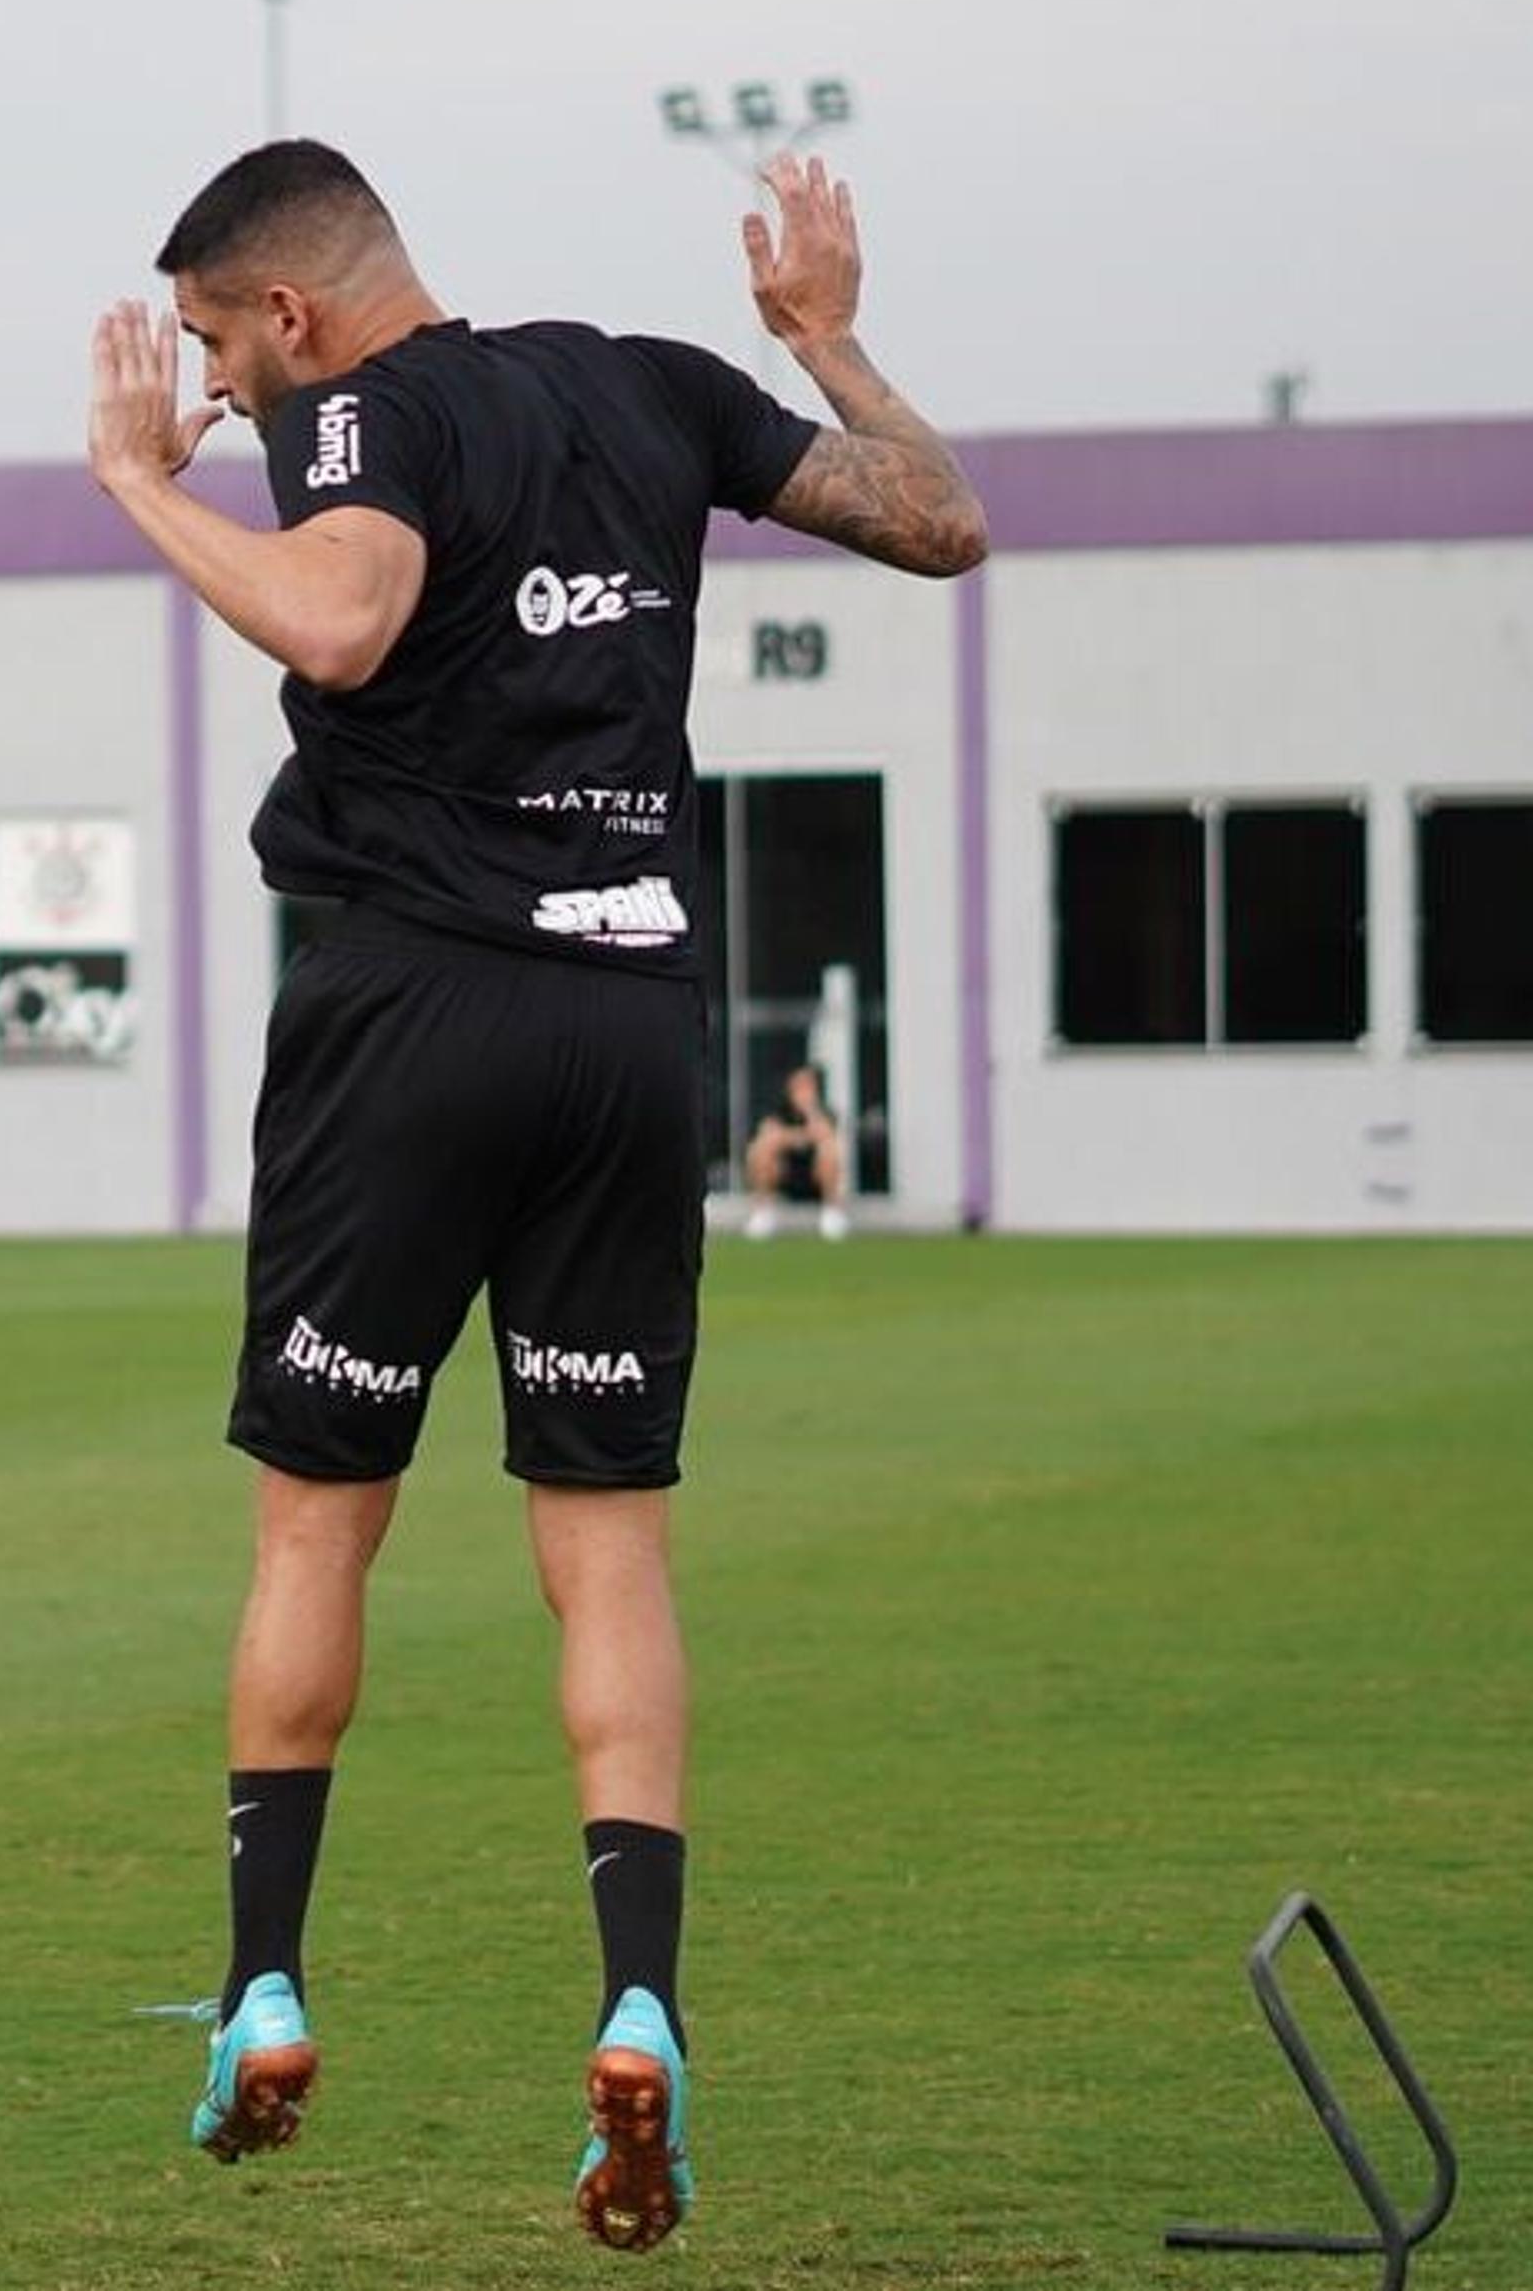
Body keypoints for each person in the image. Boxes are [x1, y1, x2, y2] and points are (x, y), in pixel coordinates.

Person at [86, 138, 983, 2252]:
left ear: (292, 314)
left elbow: (347, 607)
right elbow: (939, 522)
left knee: (324, 1515)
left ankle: (263, 1982)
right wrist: (828, 335)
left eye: (218, 344)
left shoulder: (357, 412)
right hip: (624, 1029)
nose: (213, 384)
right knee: (609, 1549)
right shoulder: (656, 381)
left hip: (411, 1017)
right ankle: (643, 2002)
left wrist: (138, 479)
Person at [743, 1064, 851, 1241]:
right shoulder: (777, 1112)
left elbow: (825, 1133)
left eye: (808, 1086)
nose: (803, 1091)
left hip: (815, 1178)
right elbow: (769, 1136)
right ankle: (762, 1212)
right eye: (799, 1085)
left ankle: (832, 1213)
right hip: (785, 1176)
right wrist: (803, 1137)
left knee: (829, 1149)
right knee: (759, 1149)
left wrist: (809, 1111)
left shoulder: (825, 1112)